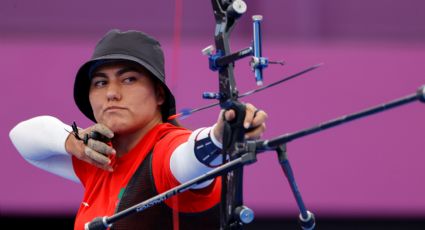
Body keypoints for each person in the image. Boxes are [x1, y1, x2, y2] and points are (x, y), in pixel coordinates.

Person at [9, 29, 267, 230]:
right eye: (100, 82)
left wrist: (221, 135)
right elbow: (22, 137)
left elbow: (189, 157)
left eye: (129, 79)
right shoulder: (99, 158)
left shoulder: (165, 150)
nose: (111, 93)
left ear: (159, 95)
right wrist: (70, 140)